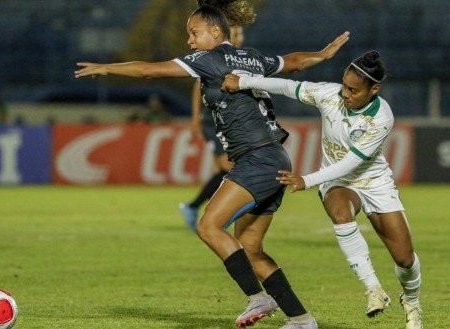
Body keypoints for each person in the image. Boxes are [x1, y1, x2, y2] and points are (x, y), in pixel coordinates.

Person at [75, 5, 350, 329]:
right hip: (274, 157)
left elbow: (151, 71)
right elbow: (293, 62)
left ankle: (258, 297)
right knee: (250, 249)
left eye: (194, 33)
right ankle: (302, 320)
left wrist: (108, 68)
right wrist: (323, 54)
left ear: (215, 33)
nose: (190, 41)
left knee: (208, 226)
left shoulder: (208, 59)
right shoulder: (251, 57)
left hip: (257, 159)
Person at [222, 50, 424, 329]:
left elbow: (352, 161)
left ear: (374, 89)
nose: (345, 94)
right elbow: (287, 87)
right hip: (338, 183)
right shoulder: (329, 94)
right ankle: (373, 288)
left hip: (374, 182)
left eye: (353, 90)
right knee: (340, 213)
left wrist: (308, 179)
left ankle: (412, 302)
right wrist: (244, 82)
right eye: (344, 86)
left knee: (405, 258)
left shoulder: (381, 118)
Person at [179, 0, 252, 231]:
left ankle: (196, 207)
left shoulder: (235, 56)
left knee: (226, 169)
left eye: (240, 31)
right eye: (236, 31)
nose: (239, 35)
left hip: (226, 119)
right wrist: (195, 119)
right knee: (230, 168)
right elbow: (197, 85)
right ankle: (214, 213)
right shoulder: (214, 55)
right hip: (212, 121)